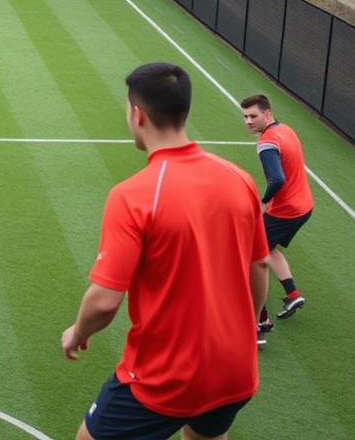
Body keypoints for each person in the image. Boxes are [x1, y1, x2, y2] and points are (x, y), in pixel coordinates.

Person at [61, 62, 269, 440]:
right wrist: (243, 330)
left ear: (137, 114)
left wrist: (77, 332)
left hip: (165, 378)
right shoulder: (239, 178)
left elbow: (105, 302)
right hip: (235, 369)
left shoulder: (132, 195)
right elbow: (261, 266)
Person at [240, 94, 312, 340]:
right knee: (269, 248)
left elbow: (278, 178)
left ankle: (259, 323)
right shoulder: (286, 130)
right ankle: (292, 295)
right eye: (245, 116)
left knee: (250, 258)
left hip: (286, 210)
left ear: (267, 114)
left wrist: (262, 203)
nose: (248, 121)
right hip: (304, 207)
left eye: (253, 116)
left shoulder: (267, 143)